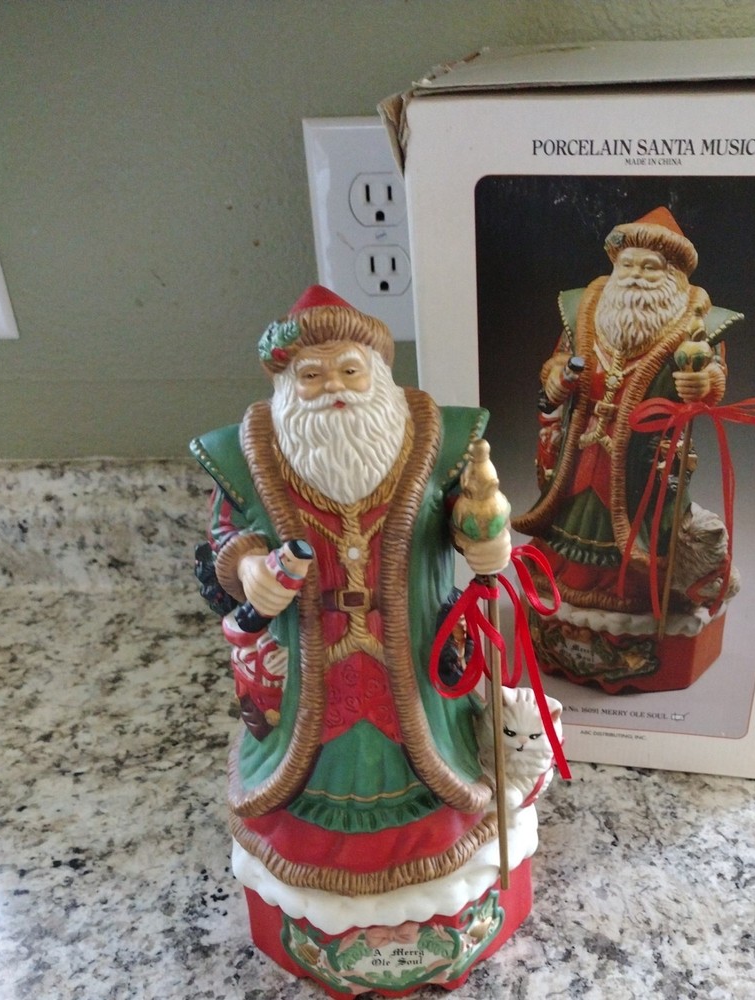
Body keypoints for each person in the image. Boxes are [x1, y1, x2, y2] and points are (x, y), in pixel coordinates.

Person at [191, 286, 545, 994]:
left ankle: (442, 868)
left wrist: (486, 542)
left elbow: (473, 523)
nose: (334, 389)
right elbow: (228, 535)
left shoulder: (441, 444)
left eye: (350, 370)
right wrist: (250, 568)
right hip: (307, 683)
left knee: (441, 772)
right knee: (311, 775)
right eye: (311, 375)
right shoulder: (250, 454)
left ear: (379, 373)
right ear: (285, 384)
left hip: (418, 672)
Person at [512, 207, 742, 693]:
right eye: (628, 264)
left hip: (647, 457)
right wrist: (556, 380)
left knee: (647, 525)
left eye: (650, 267)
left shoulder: (698, 324)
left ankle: (637, 595)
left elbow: (714, 375)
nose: (636, 275)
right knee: (573, 514)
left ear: (674, 276)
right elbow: (556, 362)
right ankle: (571, 586)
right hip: (582, 444)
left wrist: (703, 384)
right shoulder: (583, 310)